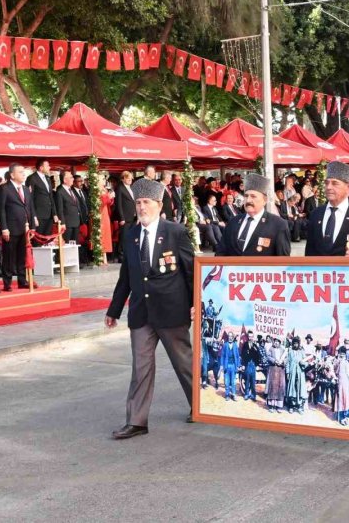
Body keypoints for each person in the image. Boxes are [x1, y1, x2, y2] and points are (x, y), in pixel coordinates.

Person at [105, 178, 195, 439]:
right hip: (141, 312)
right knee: (141, 367)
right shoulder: (131, 234)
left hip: (171, 311)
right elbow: (126, 276)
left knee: (183, 363)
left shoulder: (175, 232)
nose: (142, 207)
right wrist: (114, 310)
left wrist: (194, 304)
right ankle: (136, 420)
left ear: (158, 204)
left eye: (146, 202)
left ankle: (199, 405)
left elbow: (191, 272)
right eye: (138, 202)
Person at [216, 173, 291, 257]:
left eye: (253, 196)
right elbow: (220, 253)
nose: (248, 200)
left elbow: (283, 262)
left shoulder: (278, 225)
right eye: (246, 196)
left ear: (264, 200)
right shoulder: (233, 222)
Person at [305, 161, 349, 257]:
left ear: (348, 187)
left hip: (347, 270)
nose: (328, 187)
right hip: (320, 271)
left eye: (335, 183)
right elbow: (309, 251)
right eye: (327, 183)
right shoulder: (316, 214)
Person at [0, 163, 37, 292]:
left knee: (22, 255)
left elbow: (30, 207)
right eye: (20, 172)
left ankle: (22, 280)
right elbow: (0, 209)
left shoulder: (25, 189)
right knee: (8, 255)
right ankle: (7, 282)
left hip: (24, 228)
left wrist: (32, 225)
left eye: (23, 172)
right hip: (10, 227)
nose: (23, 174)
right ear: (12, 175)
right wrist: (4, 227)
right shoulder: (4, 188)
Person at [26, 158, 59, 236]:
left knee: (47, 239)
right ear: (41, 167)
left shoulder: (47, 178)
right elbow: (30, 198)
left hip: (49, 214)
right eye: (47, 165)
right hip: (39, 214)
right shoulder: (32, 178)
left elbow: (51, 196)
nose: (49, 167)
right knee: (38, 240)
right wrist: (33, 216)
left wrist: (54, 213)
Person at [55, 170, 81, 244]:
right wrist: (62, 223)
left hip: (76, 222)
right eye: (71, 177)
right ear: (65, 180)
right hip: (67, 223)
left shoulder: (71, 190)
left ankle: (74, 256)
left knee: (75, 244)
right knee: (66, 244)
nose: (73, 179)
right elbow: (60, 209)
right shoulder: (60, 192)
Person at [334, 346, 349, 425]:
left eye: (343, 354)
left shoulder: (346, 362)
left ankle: (345, 416)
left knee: (346, 399)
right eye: (341, 354)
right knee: (339, 399)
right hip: (339, 383)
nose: (342, 355)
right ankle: (340, 416)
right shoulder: (337, 362)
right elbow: (335, 372)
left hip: (346, 384)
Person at [285, 336, 307, 413]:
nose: (295, 345)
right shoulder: (290, 352)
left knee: (300, 389)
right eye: (294, 343)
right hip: (292, 373)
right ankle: (291, 406)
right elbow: (287, 363)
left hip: (300, 373)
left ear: (299, 344)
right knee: (292, 389)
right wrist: (288, 372)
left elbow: (306, 362)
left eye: (297, 343)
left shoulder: (302, 352)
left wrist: (303, 363)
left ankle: (300, 407)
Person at [265, 337, 287, 412]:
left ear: (280, 343)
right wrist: (274, 361)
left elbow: (286, 358)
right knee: (272, 387)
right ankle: (271, 406)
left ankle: (279, 406)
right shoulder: (271, 349)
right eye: (275, 341)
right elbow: (268, 357)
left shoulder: (283, 350)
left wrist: (282, 362)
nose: (276, 343)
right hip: (273, 370)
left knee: (280, 387)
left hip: (281, 370)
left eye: (278, 341)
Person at [219, 332, 241, 401]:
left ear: (233, 337)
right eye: (229, 336)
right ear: (228, 337)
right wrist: (222, 365)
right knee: (226, 381)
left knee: (233, 382)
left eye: (231, 336)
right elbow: (222, 355)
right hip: (226, 365)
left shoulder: (235, 345)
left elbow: (237, 356)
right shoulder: (225, 345)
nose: (230, 337)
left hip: (233, 366)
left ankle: (234, 395)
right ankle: (227, 395)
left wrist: (238, 365)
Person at [240, 330, 260, 400]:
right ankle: (246, 394)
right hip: (247, 364)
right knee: (247, 379)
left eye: (251, 336)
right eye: (249, 336)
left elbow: (258, 355)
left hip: (253, 364)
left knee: (253, 380)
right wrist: (243, 364)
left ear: (253, 337)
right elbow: (242, 355)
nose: (250, 338)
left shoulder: (255, 345)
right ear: (248, 337)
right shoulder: (245, 345)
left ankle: (253, 395)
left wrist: (257, 364)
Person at [98, 177, 114, 263]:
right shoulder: (97, 189)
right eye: (102, 179)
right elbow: (100, 202)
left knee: (106, 234)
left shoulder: (104, 189)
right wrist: (109, 197)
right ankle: (100, 256)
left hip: (106, 213)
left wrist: (111, 198)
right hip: (101, 213)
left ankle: (104, 257)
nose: (104, 181)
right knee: (101, 234)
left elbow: (108, 202)